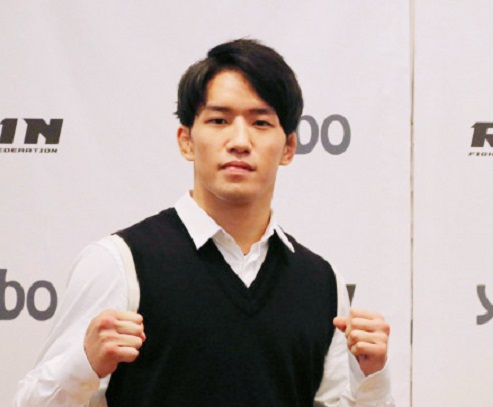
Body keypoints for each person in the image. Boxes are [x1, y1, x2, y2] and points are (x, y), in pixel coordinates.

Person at [15, 38, 393, 407]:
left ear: (289, 147)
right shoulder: (120, 262)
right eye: (219, 120)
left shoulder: (320, 282)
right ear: (186, 141)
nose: (239, 140)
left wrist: (374, 381)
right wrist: (84, 362)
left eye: (261, 122)